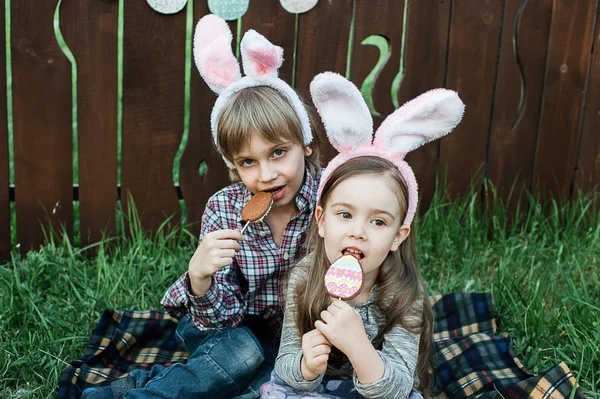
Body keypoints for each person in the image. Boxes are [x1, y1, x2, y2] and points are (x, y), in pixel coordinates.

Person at [82, 14, 322, 399]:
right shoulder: (224, 210)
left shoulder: (332, 200)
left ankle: (136, 385)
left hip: (295, 339)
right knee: (242, 355)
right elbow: (217, 320)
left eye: (278, 153)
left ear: (305, 144)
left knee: (270, 385)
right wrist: (200, 277)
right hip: (225, 328)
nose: (266, 175)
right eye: (248, 162)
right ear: (232, 165)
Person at [261, 72, 465, 398]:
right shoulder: (303, 278)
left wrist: (359, 347)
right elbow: (285, 364)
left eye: (379, 222)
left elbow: (399, 388)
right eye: (345, 215)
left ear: (398, 236)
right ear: (322, 220)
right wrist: (305, 367)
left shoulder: (403, 295)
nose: (358, 232)